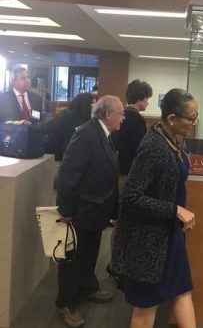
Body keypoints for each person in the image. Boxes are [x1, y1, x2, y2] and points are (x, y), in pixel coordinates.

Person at [112, 88, 198, 328]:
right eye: (191, 118)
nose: (194, 123)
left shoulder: (171, 141)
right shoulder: (153, 146)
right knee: (146, 305)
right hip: (148, 241)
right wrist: (175, 210)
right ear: (172, 119)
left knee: (182, 291)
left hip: (169, 236)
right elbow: (130, 197)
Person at [55, 95, 124, 328]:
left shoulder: (103, 133)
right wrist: (65, 209)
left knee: (89, 254)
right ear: (108, 115)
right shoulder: (86, 133)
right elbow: (68, 173)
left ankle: (86, 288)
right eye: (120, 114)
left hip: (97, 209)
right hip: (82, 209)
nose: (122, 119)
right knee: (73, 259)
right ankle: (66, 303)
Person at [112, 79, 153, 190]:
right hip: (129, 171)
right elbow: (140, 148)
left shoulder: (121, 115)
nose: (148, 102)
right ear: (139, 99)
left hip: (116, 168)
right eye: (147, 99)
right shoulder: (138, 120)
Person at [43, 92, 96, 161]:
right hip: (60, 153)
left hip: (74, 153)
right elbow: (48, 127)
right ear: (84, 104)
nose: (95, 105)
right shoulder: (67, 115)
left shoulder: (88, 118)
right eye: (92, 103)